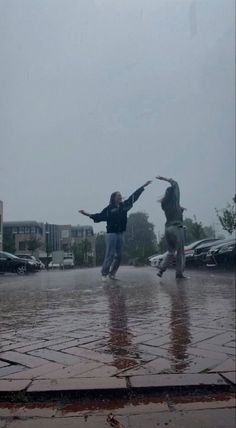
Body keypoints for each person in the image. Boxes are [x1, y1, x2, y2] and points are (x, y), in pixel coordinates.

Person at [79, 180, 152, 281]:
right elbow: (99, 216)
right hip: (111, 234)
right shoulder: (109, 209)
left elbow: (133, 197)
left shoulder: (124, 206)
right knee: (110, 254)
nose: (120, 196)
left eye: (121, 195)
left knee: (119, 256)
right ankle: (104, 274)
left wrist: (143, 186)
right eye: (118, 195)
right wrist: (86, 214)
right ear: (113, 198)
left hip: (121, 234)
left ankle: (112, 274)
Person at [156, 175, 187, 279]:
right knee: (180, 252)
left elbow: (174, 209)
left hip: (168, 229)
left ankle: (161, 270)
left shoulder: (164, 204)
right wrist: (164, 179)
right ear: (174, 193)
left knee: (170, 252)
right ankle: (179, 274)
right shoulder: (175, 198)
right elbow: (175, 183)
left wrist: (180, 209)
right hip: (176, 227)